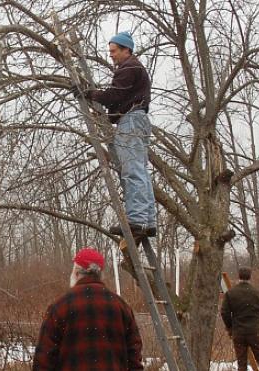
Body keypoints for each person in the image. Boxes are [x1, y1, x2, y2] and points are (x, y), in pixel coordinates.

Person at [84, 31, 157, 238]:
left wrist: (90, 94)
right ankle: (148, 221)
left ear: (127, 50)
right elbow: (119, 99)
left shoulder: (128, 67)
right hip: (136, 119)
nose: (112, 56)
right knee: (140, 172)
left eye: (114, 51)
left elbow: (114, 96)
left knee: (132, 171)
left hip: (131, 121)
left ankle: (137, 221)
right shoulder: (133, 68)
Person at [33, 247, 143, 371]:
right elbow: (134, 357)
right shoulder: (121, 306)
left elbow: (43, 360)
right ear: (100, 274)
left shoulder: (60, 307)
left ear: (76, 272)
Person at [220, 267, 259, 371]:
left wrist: (230, 327)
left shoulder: (231, 293)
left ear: (239, 276)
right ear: (250, 277)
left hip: (238, 332)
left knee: (242, 364)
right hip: (255, 331)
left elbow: (224, 312)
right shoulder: (257, 293)